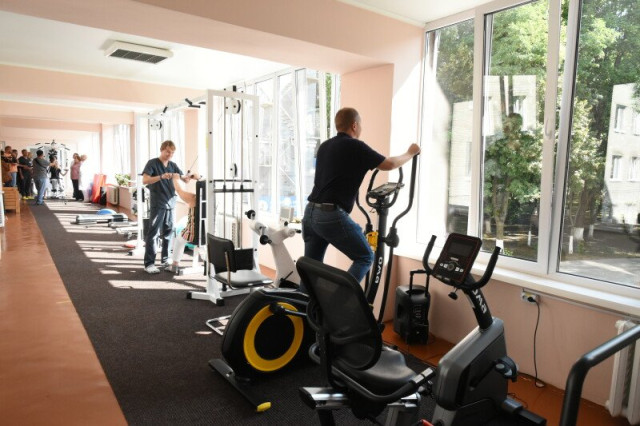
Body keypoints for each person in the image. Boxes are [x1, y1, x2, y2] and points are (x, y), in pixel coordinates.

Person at [301, 107, 420, 286]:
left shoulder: (325, 146)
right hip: (330, 215)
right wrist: (410, 152)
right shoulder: (355, 146)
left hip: (310, 213)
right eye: (361, 125)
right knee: (365, 257)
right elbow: (389, 164)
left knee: (311, 270)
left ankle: (304, 304)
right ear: (354, 125)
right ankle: (339, 299)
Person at [142, 140, 191, 274]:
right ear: (162, 149)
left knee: (169, 232)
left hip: (171, 202)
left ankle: (165, 259)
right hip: (158, 203)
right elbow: (145, 180)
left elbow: (184, 179)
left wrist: (187, 177)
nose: (170, 154)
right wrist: (161, 176)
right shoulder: (152, 163)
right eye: (168, 151)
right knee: (153, 233)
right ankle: (149, 264)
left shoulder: (173, 165)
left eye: (172, 152)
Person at [167, 172, 201, 273]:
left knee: (179, 239)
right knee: (204, 246)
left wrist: (175, 178)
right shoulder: (212, 198)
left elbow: (179, 190)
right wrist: (198, 178)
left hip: (193, 234)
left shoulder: (193, 198)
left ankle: (175, 265)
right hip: (209, 234)